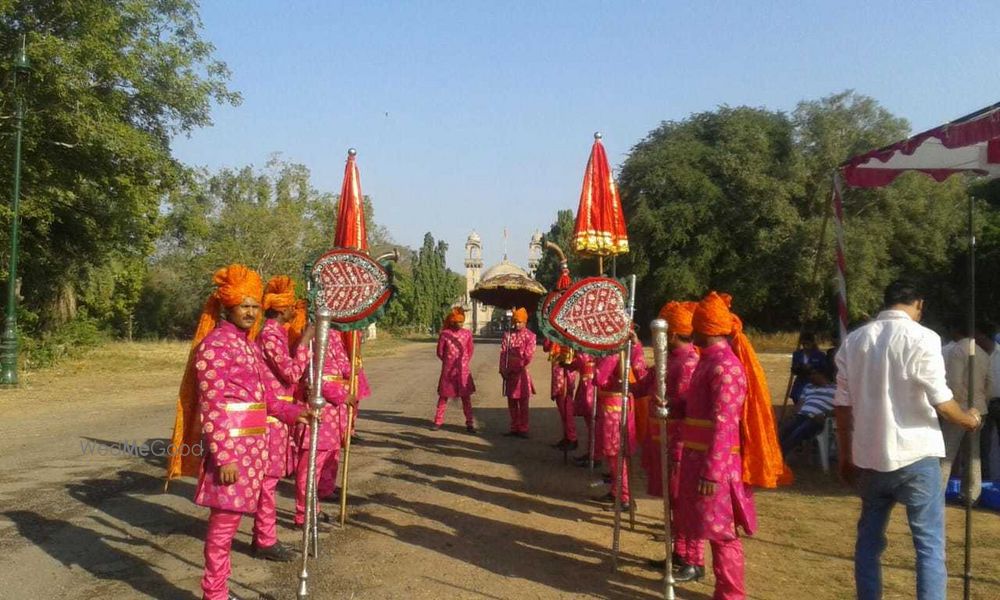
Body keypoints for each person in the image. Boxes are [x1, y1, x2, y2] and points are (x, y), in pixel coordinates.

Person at [834, 279, 981, 600]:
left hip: (869, 457)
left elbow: (842, 406)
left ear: (884, 303)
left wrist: (845, 454)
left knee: (869, 544)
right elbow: (941, 400)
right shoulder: (924, 337)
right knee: (928, 546)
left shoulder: (855, 340)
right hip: (916, 454)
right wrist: (968, 419)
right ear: (919, 304)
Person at [178, 264, 309, 600]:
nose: (251, 312)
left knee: (231, 525)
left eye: (254, 306)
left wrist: (296, 413)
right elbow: (213, 406)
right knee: (222, 531)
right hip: (233, 454)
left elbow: (265, 398)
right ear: (228, 307)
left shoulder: (247, 345)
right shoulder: (214, 347)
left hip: (255, 450)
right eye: (244, 306)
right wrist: (223, 458)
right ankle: (215, 593)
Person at [673, 291, 788, 597]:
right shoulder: (707, 362)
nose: (689, 331)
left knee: (722, 535)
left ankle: (731, 595)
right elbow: (703, 410)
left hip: (717, 466)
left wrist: (712, 472)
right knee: (705, 529)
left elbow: (724, 425)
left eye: (695, 325)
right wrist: (679, 408)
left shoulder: (726, 367)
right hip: (698, 458)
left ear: (704, 328)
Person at [253, 275, 314, 562]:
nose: (294, 311)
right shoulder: (270, 335)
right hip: (270, 417)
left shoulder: (274, 333)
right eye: (291, 306)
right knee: (267, 481)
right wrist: (303, 343)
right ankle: (265, 539)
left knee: (271, 479)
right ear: (281, 309)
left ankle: (262, 535)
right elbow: (289, 373)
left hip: (280, 415)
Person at [295, 322, 358, 525]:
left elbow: (343, 368)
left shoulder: (335, 334)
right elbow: (313, 379)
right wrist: (341, 394)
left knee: (329, 457)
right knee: (311, 466)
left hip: (335, 415)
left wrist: (353, 366)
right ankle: (304, 513)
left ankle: (322, 494)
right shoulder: (313, 337)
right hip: (319, 412)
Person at [593, 328, 647, 512]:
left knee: (616, 453)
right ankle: (617, 490)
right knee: (614, 453)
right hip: (615, 404)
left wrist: (597, 360)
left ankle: (624, 496)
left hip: (614, 407)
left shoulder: (614, 352)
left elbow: (599, 378)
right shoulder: (630, 348)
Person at [940, 322, 995, 503]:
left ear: (956, 331)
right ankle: (972, 495)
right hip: (979, 410)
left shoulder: (958, 350)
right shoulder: (982, 353)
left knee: (947, 454)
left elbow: (954, 382)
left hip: (960, 409)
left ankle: (937, 494)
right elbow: (989, 384)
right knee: (973, 455)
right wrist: (980, 402)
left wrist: (958, 404)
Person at [433, 307, 477, 433]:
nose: (460, 324)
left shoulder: (467, 334)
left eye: (461, 322)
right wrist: (449, 361)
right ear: (452, 321)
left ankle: (469, 423)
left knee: (466, 398)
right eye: (457, 322)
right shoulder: (445, 334)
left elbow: (470, 350)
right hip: (448, 371)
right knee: (443, 397)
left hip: (463, 372)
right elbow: (440, 352)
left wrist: (463, 362)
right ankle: (438, 421)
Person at [778, 364, 836, 456]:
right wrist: (792, 414)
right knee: (784, 429)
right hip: (801, 416)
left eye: (813, 374)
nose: (810, 377)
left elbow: (839, 409)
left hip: (817, 419)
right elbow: (800, 404)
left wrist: (825, 415)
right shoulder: (808, 387)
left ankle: (780, 455)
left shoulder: (835, 389)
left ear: (822, 375)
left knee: (798, 432)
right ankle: (776, 453)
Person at [500, 307, 536, 437]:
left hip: (522, 374)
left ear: (525, 321)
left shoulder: (531, 336)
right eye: (515, 322)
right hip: (509, 373)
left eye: (519, 322)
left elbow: (528, 356)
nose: (517, 324)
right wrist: (502, 369)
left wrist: (516, 366)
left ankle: (524, 428)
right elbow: (503, 353)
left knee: (523, 402)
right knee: (511, 401)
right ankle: (514, 427)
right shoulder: (507, 336)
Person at [543, 337, 578, 450]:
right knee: (561, 404)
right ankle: (567, 436)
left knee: (566, 406)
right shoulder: (553, 333)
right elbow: (546, 347)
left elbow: (577, 353)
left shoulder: (573, 332)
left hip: (567, 371)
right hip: (558, 371)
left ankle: (572, 437)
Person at [568, 350, 598, 466]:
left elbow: (582, 360)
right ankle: (591, 452)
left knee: (593, 421)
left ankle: (594, 454)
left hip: (590, 383)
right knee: (590, 422)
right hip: (586, 381)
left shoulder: (592, 346)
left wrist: (570, 362)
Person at [789, 331, 827, 404]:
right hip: (800, 383)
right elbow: (793, 369)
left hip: (815, 384)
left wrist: (812, 369)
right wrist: (798, 368)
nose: (806, 346)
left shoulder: (820, 355)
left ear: (812, 343)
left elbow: (824, 370)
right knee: (797, 400)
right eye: (804, 344)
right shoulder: (797, 354)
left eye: (808, 344)